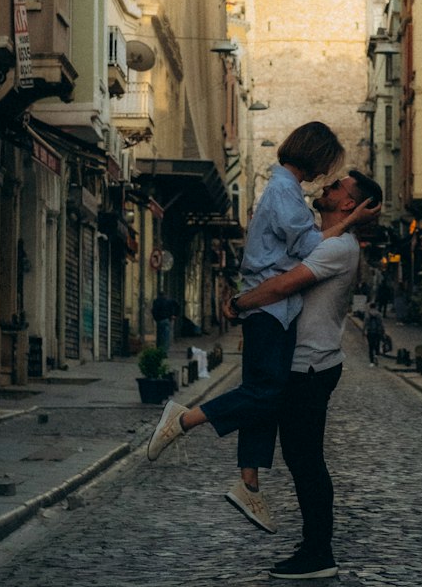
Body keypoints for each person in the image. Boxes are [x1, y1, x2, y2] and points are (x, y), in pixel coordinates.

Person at [147, 122, 376, 533]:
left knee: (263, 396)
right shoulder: (286, 193)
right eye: (330, 167)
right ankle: (182, 421)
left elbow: (309, 244)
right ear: (317, 155)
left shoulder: (286, 193)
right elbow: (308, 248)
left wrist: (348, 221)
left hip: (271, 311)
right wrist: (351, 219)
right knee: (264, 394)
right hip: (270, 309)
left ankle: (249, 482)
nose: (328, 176)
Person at [221, 168, 383, 579]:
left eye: (335, 187)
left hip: (310, 367)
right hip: (302, 363)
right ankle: (310, 541)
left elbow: (282, 286)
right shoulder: (324, 239)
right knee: (300, 458)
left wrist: (239, 304)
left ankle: (318, 554)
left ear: (349, 203)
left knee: (306, 460)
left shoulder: (339, 248)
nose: (324, 187)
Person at [151, 290, 178, 355]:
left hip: (159, 320)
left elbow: (154, 311)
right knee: (166, 337)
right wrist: (174, 315)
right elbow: (177, 306)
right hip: (166, 320)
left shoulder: (156, 301)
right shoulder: (169, 301)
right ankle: (164, 352)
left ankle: (159, 350)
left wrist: (156, 318)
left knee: (159, 337)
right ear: (165, 295)